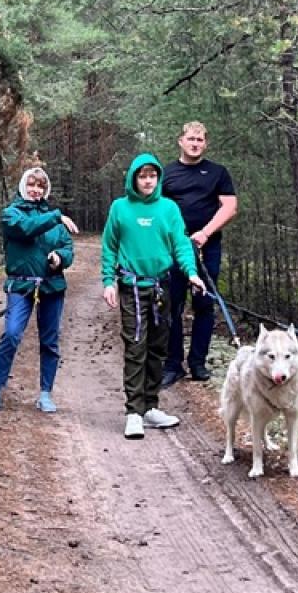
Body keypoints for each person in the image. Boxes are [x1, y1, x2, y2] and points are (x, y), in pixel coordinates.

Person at [100, 152, 205, 439]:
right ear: (134, 178)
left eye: (152, 175)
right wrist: (108, 281)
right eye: (143, 176)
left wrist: (192, 272)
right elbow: (109, 246)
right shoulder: (120, 208)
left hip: (162, 287)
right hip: (132, 287)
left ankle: (150, 406)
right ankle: (133, 412)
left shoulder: (168, 209)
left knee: (158, 348)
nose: (148, 181)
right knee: (136, 346)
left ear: (158, 178)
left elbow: (181, 244)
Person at [0, 165, 78, 414]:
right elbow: (26, 229)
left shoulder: (56, 221)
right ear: (23, 186)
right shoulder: (11, 215)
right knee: (12, 334)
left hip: (52, 285)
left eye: (41, 186)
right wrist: (56, 216)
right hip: (21, 285)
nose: (36, 190)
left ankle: (45, 394)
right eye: (32, 185)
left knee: (50, 341)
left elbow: (68, 248)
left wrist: (59, 258)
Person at [158, 121, 238, 385]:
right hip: (174, 248)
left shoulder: (218, 173)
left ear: (206, 143)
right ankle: (172, 364)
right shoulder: (166, 174)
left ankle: (198, 363)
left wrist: (204, 233)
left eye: (200, 140)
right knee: (173, 305)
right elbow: (157, 210)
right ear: (180, 141)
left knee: (204, 303)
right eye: (191, 139)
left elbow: (229, 207)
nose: (195, 143)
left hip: (207, 248)